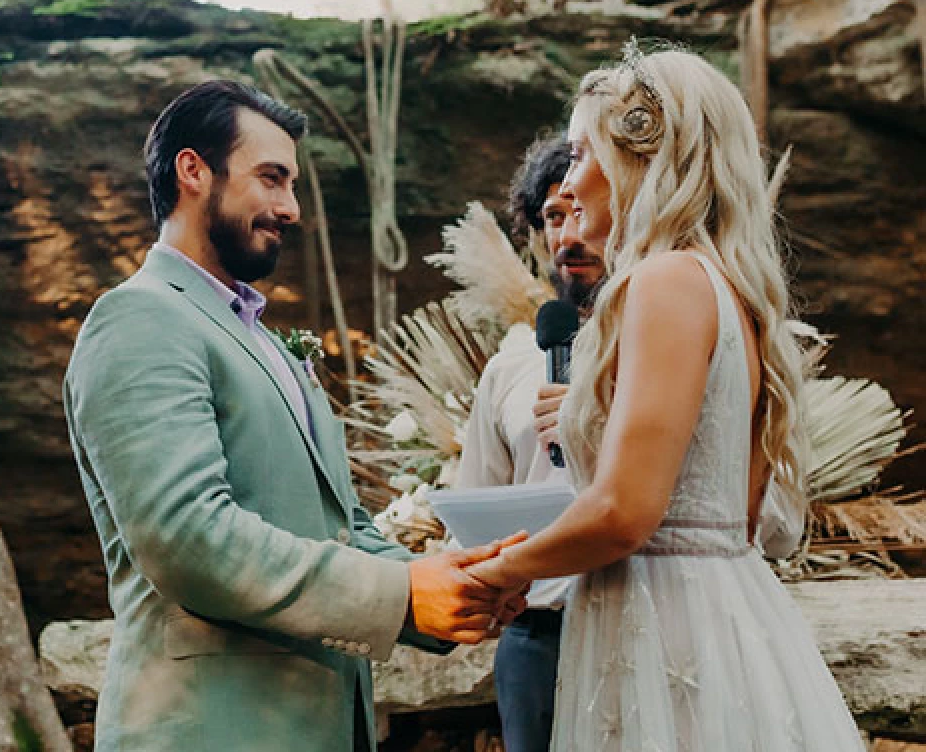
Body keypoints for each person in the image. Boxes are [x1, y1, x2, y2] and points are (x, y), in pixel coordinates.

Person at [63, 80, 523, 752]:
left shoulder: (256, 337)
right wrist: (398, 593)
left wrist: (456, 586)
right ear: (193, 171)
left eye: (293, 185)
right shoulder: (140, 319)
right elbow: (189, 538)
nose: (292, 209)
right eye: (272, 179)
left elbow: (340, 528)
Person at [469, 46, 867, 751]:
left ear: (643, 159)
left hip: (661, 635)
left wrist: (499, 573)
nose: (572, 184)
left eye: (583, 153)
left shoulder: (665, 281)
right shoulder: (728, 288)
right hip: (724, 617)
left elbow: (623, 513)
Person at [457, 134, 605, 752]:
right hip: (535, 639)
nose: (568, 235)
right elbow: (477, 497)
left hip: (643, 618)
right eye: (550, 217)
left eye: (580, 213)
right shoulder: (512, 362)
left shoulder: (665, 346)